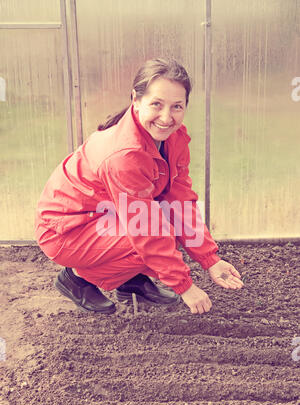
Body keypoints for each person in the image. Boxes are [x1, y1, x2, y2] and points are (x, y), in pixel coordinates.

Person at [35, 57, 243, 316]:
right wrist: (185, 287)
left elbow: (179, 199)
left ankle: (128, 280)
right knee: (156, 235)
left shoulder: (173, 137)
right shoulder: (125, 155)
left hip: (106, 216)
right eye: (156, 104)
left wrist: (210, 260)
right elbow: (145, 229)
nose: (167, 117)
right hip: (67, 230)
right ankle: (78, 278)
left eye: (177, 106)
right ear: (136, 99)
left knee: (167, 223)